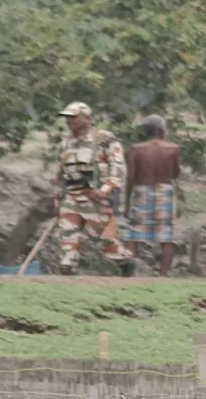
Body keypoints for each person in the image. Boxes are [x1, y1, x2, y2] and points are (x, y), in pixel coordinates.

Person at [53, 102, 137, 276]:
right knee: (67, 239)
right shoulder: (65, 144)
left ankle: (126, 262)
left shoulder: (104, 139)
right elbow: (60, 172)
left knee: (106, 241)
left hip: (96, 198)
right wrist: (58, 196)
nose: (69, 121)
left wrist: (105, 190)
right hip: (72, 197)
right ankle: (68, 270)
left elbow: (118, 167)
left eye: (74, 117)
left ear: (87, 118)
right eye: (67, 118)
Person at [123, 115, 182, 276]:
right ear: (162, 130)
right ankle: (163, 274)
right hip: (165, 192)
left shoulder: (136, 149)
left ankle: (130, 273)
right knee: (167, 235)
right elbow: (175, 173)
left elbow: (130, 178)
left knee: (134, 234)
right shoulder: (172, 148)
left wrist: (127, 203)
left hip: (141, 191)